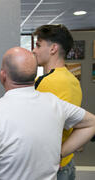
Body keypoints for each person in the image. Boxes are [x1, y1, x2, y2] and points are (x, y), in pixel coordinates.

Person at [0, 47, 95, 180]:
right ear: (34, 76)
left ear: (3, 75)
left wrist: (60, 153)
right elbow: (91, 123)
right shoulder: (55, 104)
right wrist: (61, 153)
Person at [33, 24, 82, 180]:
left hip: (50, 167)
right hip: (67, 162)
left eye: (38, 45)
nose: (34, 50)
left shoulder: (47, 82)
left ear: (53, 48)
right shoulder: (72, 80)